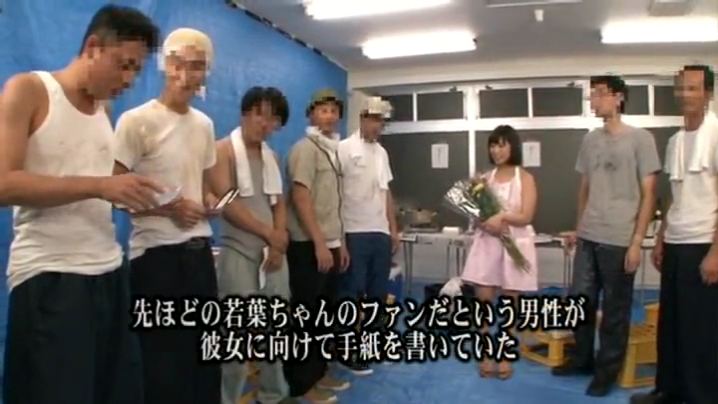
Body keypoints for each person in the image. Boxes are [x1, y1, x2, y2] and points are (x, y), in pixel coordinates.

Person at [0, 5, 161, 404]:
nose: (129, 79)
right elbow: (3, 184)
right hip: (52, 277)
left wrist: (132, 195)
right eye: (123, 65)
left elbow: (91, 190)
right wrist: (100, 186)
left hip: (108, 273)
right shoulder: (30, 91)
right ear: (92, 47)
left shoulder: (104, 110)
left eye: (137, 69)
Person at [112, 28, 220, 404]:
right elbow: (114, 193)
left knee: (204, 356)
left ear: (206, 72)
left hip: (199, 253)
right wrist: (170, 208)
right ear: (164, 64)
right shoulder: (136, 121)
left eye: (197, 65)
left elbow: (203, 185)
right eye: (179, 62)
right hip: (155, 258)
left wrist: (209, 202)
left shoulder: (204, 125)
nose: (186, 73)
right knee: (162, 362)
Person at [552, 75, 661, 397]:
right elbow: (584, 188)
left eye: (599, 94)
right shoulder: (590, 140)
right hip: (589, 236)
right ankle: (582, 359)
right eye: (592, 95)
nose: (593, 100)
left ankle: (606, 371)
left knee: (615, 310)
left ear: (618, 97)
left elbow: (649, 193)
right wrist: (579, 227)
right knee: (580, 302)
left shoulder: (641, 139)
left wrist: (637, 242)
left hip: (620, 237)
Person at [631, 65, 718, 404]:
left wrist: (716, 252)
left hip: (704, 243)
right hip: (676, 242)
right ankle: (668, 390)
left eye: (693, 88)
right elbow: (673, 196)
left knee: (700, 327)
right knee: (671, 323)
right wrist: (661, 238)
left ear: (708, 94)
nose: (685, 94)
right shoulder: (675, 141)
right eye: (681, 88)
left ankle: (702, 396)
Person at [208, 86, 295, 404]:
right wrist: (269, 234)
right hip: (238, 252)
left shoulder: (272, 156)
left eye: (273, 119)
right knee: (235, 339)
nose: (265, 123)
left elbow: (279, 202)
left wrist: (279, 241)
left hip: (273, 255)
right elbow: (227, 201)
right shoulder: (222, 151)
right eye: (260, 114)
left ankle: (274, 394)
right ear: (245, 113)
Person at [283, 88, 351, 404]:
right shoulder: (304, 149)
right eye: (323, 110)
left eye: (334, 111)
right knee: (305, 319)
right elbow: (301, 197)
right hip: (307, 246)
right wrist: (320, 244)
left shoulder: (333, 151)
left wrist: (340, 244)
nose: (330, 116)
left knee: (324, 316)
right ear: (311, 114)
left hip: (331, 244)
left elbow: (335, 203)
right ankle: (301, 385)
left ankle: (319, 374)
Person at [460, 124, 538, 380]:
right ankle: (484, 353)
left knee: (510, 302)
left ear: (513, 147)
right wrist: (486, 223)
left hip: (515, 243)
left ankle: (504, 354)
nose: (497, 150)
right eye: (493, 145)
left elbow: (526, 215)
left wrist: (501, 217)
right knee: (483, 299)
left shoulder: (525, 178)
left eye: (502, 145)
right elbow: (476, 214)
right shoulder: (484, 180)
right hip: (487, 243)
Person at [336, 96, 399, 375]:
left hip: (380, 232)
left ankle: (372, 346)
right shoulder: (343, 149)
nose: (377, 127)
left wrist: (393, 229)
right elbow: (336, 194)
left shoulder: (381, 153)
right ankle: (346, 351)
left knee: (377, 294)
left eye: (381, 122)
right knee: (351, 293)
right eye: (374, 120)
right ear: (362, 118)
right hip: (353, 231)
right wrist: (339, 237)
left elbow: (386, 192)